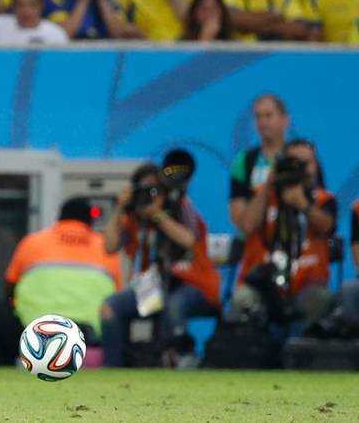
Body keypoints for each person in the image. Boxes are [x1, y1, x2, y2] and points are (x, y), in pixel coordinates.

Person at [101, 152, 221, 368]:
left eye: (154, 190)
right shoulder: (136, 217)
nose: (150, 196)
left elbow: (187, 239)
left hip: (194, 284)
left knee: (173, 305)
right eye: (144, 191)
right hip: (155, 286)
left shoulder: (181, 206)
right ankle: (113, 369)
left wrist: (158, 214)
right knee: (111, 308)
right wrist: (120, 207)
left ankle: (182, 362)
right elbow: (109, 246)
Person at [0, 197, 121, 366]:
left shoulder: (33, 241)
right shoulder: (106, 247)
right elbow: (116, 298)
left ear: (60, 218)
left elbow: (9, 286)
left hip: (37, 334)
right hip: (87, 338)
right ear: (90, 221)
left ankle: (5, 370)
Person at [229, 140, 336, 330]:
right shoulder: (264, 196)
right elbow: (247, 225)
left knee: (317, 299)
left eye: (306, 163)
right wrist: (270, 182)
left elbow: (327, 226)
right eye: (293, 162)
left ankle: (299, 356)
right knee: (243, 298)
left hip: (307, 283)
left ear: (315, 166)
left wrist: (302, 203)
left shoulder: (323, 199)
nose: (300, 169)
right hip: (264, 282)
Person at [229, 95, 290, 235]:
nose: (263, 122)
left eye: (269, 116)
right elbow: (240, 220)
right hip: (255, 249)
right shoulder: (243, 161)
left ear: (285, 120)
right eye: (258, 117)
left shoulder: (299, 158)